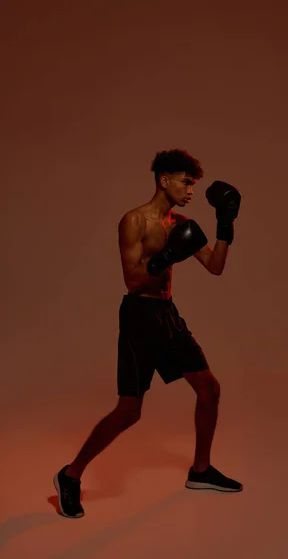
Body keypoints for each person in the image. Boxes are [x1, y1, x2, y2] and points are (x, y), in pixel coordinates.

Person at [53, 149, 243, 518]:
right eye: (186, 182)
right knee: (129, 411)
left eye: (194, 184)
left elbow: (215, 267)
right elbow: (133, 280)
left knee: (210, 388)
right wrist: (168, 255)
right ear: (164, 180)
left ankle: (200, 471)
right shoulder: (134, 221)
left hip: (168, 315)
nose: (191, 190)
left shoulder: (183, 222)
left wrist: (226, 223)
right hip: (139, 317)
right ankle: (70, 475)